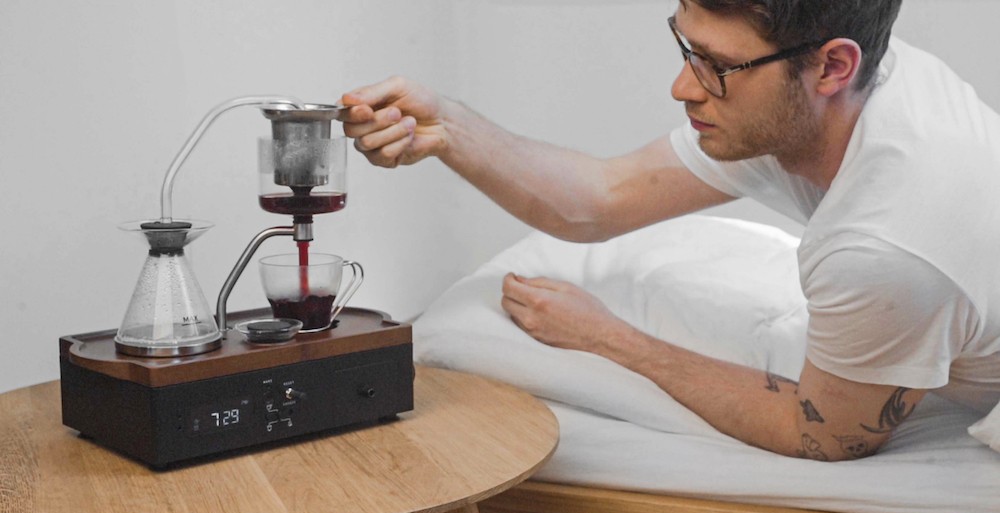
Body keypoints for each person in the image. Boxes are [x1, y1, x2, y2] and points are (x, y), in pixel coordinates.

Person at [336, 0, 1000, 461]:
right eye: (686, 48)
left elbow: (823, 435)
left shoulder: (887, 243)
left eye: (717, 65)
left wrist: (609, 339)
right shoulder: (840, 86)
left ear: (832, 67)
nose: (683, 87)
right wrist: (448, 129)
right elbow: (598, 201)